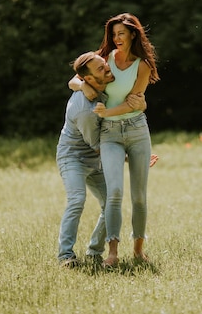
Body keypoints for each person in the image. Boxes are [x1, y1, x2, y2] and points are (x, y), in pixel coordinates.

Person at [70, 12, 159, 268]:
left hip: (136, 131)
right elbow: (76, 76)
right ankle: (112, 252)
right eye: (113, 34)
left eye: (121, 33)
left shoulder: (142, 66)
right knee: (115, 192)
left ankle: (139, 250)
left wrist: (108, 111)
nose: (116, 38)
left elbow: (134, 103)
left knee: (139, 196)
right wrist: (83, 87)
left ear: (133, 33)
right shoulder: (104, 58)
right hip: (109, 134)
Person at [56, 51, 147, 268]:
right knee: (77, 200)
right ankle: (65, 256)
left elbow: (75, 79)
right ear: (89, 79)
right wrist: (128, 155)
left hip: (96, 158)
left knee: (111, 202)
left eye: (105, 64)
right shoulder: (85, 111)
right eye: (101, 69)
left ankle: (94, 250)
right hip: (74, 157)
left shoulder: (98, 82)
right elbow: (97, 144)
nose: (107, 68)